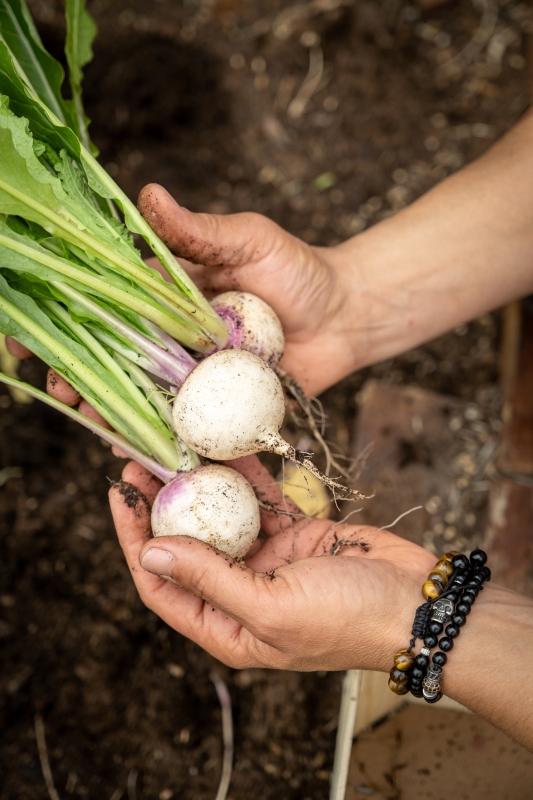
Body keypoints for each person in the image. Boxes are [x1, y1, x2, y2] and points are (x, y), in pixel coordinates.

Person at [8, 109, 533, 750]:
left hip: (209, 385)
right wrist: (346, 302)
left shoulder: (225, 367)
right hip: (206, 410)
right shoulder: (219, 393)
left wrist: (407, 622)